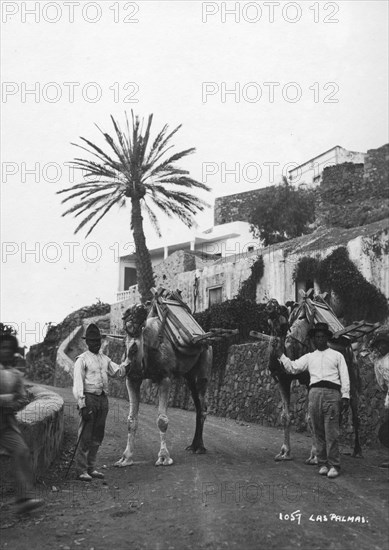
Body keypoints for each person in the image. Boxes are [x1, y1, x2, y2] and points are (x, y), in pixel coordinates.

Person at [274, 322, 350, 479]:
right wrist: (281, 355)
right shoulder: (309, 357)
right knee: (318, 431)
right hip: (314, 395)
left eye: (322, 337)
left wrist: (345, 396)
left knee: (332, 431)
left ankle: (334, 465)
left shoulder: (337, 356)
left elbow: (344, 376)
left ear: (327, 339)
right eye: (317, 337)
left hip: (331, 393)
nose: (320, 339)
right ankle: (322, 463)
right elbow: (293, 367)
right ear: (314, 339)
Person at [72, 323, 129, 481]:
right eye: (92, 341)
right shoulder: (82, 360)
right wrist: (82, 404)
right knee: (85, 435)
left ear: (100, 341)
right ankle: (81, 470)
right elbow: (78, 384)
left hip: (103, 400)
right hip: (89, 398)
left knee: (98, 435)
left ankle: (91, 467)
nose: (96, 343)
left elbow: (118, 371)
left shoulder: (105, 359)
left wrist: (128, 361)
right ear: (87, 342)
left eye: (97, 341)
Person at [0, 333, 44, 513]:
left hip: (5, 426)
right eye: (3, 347)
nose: (6, 351)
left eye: (9, 348)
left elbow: (22, 399)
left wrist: (7, 402)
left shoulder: (16, 375)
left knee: (22, 451)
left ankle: (23, 498)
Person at [371, 330, 389, 467]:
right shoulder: (378, 363)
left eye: (384, 344)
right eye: (380, 345)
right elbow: (381, 384)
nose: (382, 347)